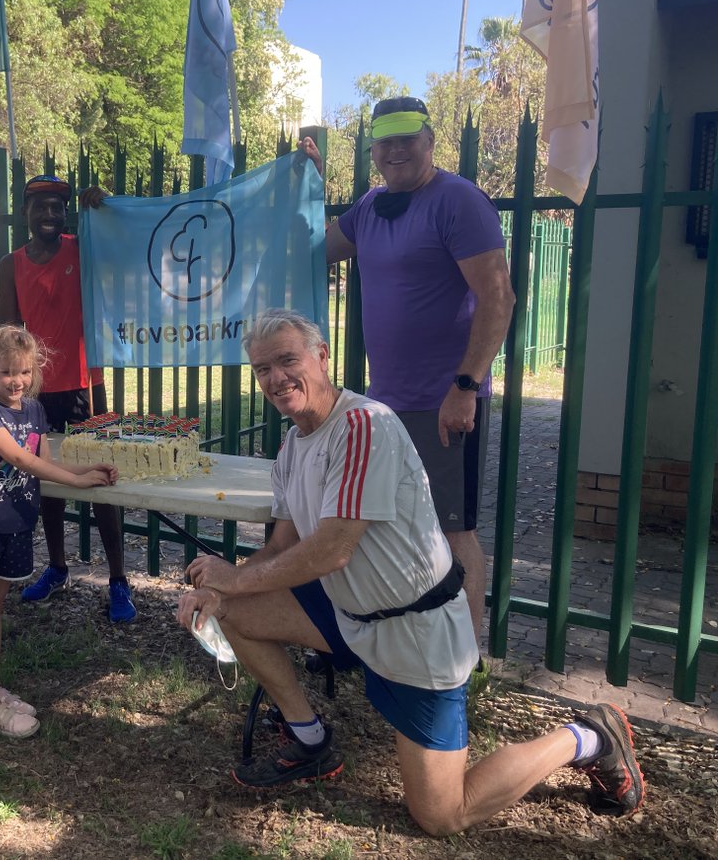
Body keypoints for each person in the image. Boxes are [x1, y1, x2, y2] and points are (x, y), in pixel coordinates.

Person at [176, 309, 644, 834]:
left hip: (414, 632)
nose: (276, 379)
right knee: (237, 608)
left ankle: (590, 734)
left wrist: (233, 577)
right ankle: (309, 741)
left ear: (322, 355)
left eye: (288, 360)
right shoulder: (293, 446)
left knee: (443, 815)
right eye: (262, 369)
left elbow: (332, 550)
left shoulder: (361, 424)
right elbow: (282, 546)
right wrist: (222, 589)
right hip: (351, 615)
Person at [309, 96, 516, 637]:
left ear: (429, 140)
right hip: (387, 404)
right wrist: (305, 187)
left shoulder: (458, 201)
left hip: (443, 402)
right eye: (386, 141)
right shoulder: (370, 208)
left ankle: (465, 662)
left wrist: (466, 387)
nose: (397, 150)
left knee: (454, 529)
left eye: (408, 138)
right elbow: (311, 250)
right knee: (392, 524)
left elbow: (498, 297)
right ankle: (402, 639)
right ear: (373, 149)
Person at [0, 325, 118, 737]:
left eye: (24, 372)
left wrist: (84, 471)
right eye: (7, 372)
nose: (16, 381)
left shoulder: (35, 411)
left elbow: (44, 458)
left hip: (15, 524)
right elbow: (20, 460)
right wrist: (76, 484)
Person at [0, 174, 136, 623]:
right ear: (26, 212)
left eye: (58, 207)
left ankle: (118, 580)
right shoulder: (10, 264)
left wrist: (103, 207)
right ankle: (57, 568)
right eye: (41, 207)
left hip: (84, 388)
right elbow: (9, 333)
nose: (50, 215)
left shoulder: (84, 248)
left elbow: (126, 247)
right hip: (34, 391)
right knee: (48, 483)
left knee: (101, 482)